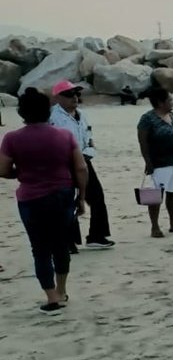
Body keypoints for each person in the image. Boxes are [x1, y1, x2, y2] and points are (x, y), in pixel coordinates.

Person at [0, 89, 89, 312]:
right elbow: (81, 168)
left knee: (39, 248)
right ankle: (62, 289)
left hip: (30, 198)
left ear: (21, 112)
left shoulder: (12, 139)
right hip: (62, 194)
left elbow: (3, 170)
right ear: (47, 110)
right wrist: (81, 197)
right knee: (60, 245)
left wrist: (21, 173)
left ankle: (51, 297)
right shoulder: (64, 136)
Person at [49, 80, 112, 249]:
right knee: (67, 200)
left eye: (76, 94)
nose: (74, 97)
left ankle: (97, 235)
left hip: (84, 161)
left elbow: (89, 138)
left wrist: (87, 154)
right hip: (62, 163)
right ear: (58, 97)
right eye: (69, 94)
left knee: (97, 197)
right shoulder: (52, 117)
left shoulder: (82, 115)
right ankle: (69, 241)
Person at [136, 87, 173, 238]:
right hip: (160, 162)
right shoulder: (147, 119)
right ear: (160, 102)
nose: (172, 102)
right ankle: (154, 227)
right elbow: (143, 142)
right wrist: (148, 162)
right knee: (155, 194)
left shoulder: (172, 115)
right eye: (169, 100)